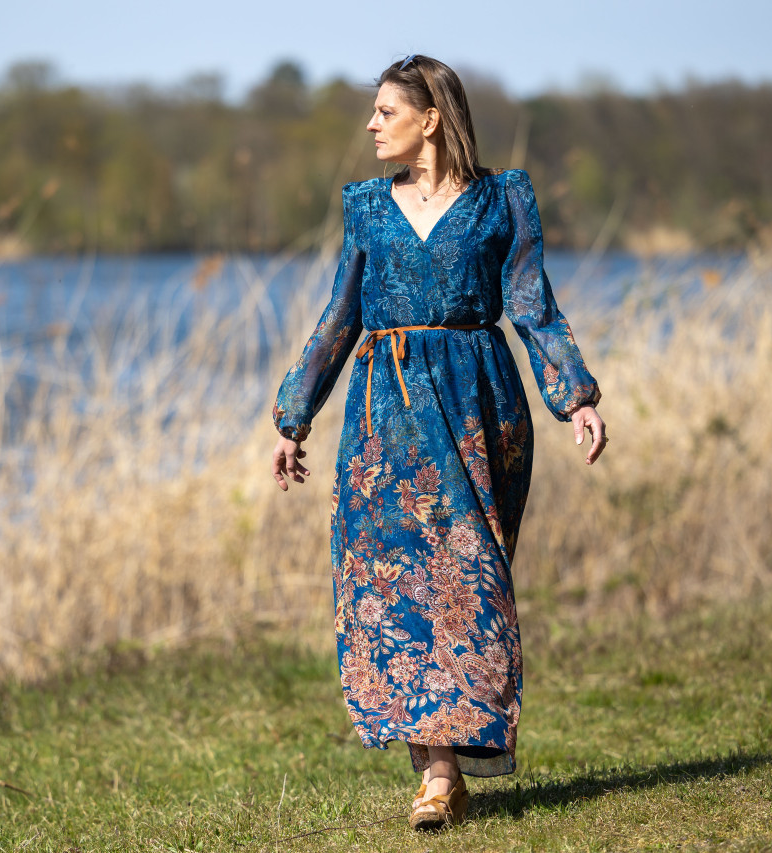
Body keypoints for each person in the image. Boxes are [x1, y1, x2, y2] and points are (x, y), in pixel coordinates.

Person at [269, 54, 607, 832]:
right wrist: (294, 416)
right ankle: (438, 775)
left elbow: (533, 307)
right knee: (393, 587)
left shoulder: (503, 200)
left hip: (479, 406)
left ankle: (448, 765)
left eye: (386, 111)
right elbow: (338, 318)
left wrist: (577, 398)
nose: (371, 124)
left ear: (431, 117)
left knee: (470, 581)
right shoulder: (365, 208)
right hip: (383, 413)